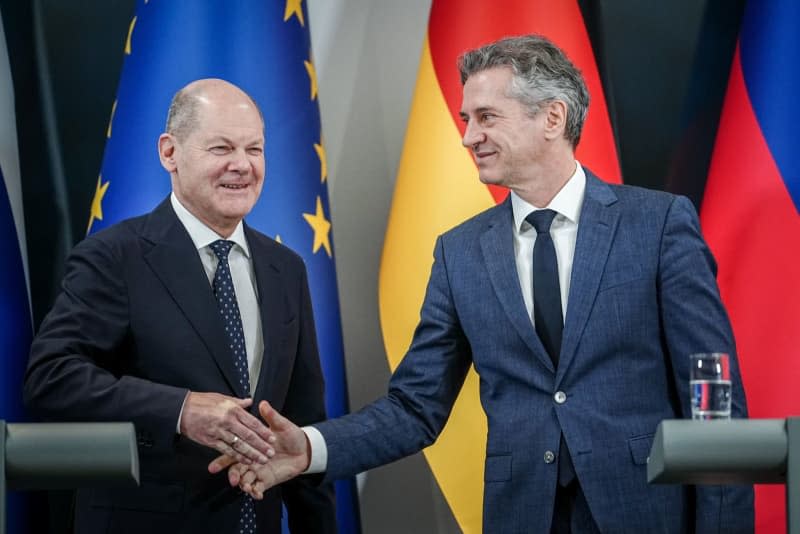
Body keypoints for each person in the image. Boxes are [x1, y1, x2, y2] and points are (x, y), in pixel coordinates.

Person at [215, 35, 755, 532]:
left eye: (486, 117)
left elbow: (714, 402)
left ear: (552, 117)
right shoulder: (460, 252)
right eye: (466, 118)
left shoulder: (657, 226)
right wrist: (309, 448)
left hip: (645, 511)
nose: (469, 136)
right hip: (522, 515)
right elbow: (415, 407)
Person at [24, 79, 336, 533]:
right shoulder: (114, 257)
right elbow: (50, 376)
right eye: (221, 148)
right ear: (170, 152)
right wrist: (181, 410)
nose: (243, 166)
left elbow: (304, 424)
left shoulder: (286, 268)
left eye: (255, 149)